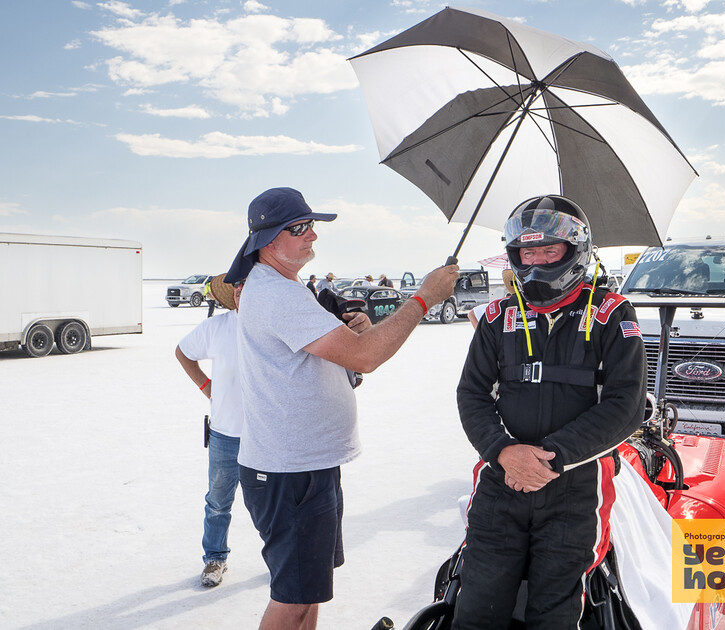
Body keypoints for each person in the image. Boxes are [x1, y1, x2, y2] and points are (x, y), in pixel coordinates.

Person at [224, 187, 458, 630]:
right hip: (291, 473)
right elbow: (366, 356)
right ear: (268, 240)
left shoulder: (281, 287)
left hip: (305, 466)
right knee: (291, 600)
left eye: (313, 226)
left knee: (308, 594)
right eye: (300, 228)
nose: (313, 236)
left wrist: (357, 336)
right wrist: (425, 297)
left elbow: (347, 355)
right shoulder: (277, 293)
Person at [452, 195, 647, 630]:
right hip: (502, 481)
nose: (537, 261)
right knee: (476, 610)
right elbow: (472, 394)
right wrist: (503, 453)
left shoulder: (612, 314)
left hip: (575, 486)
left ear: (575, 251)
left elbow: (627, 404)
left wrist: (552, 458)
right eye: (528, 252)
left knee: (554, 615)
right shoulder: (496, 316)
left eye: (549, 250)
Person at [175, 273, 246, 588]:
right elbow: (183, 352)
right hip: (225, 435)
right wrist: (208, 387)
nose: (244, 292)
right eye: (239, 287)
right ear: (232, 294)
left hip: (269, 435)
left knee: (276, 505)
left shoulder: (275, 327)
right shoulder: (217, 328)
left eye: (251, 287)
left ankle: (281, 561)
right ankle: (215, 558)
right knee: (218, 502)